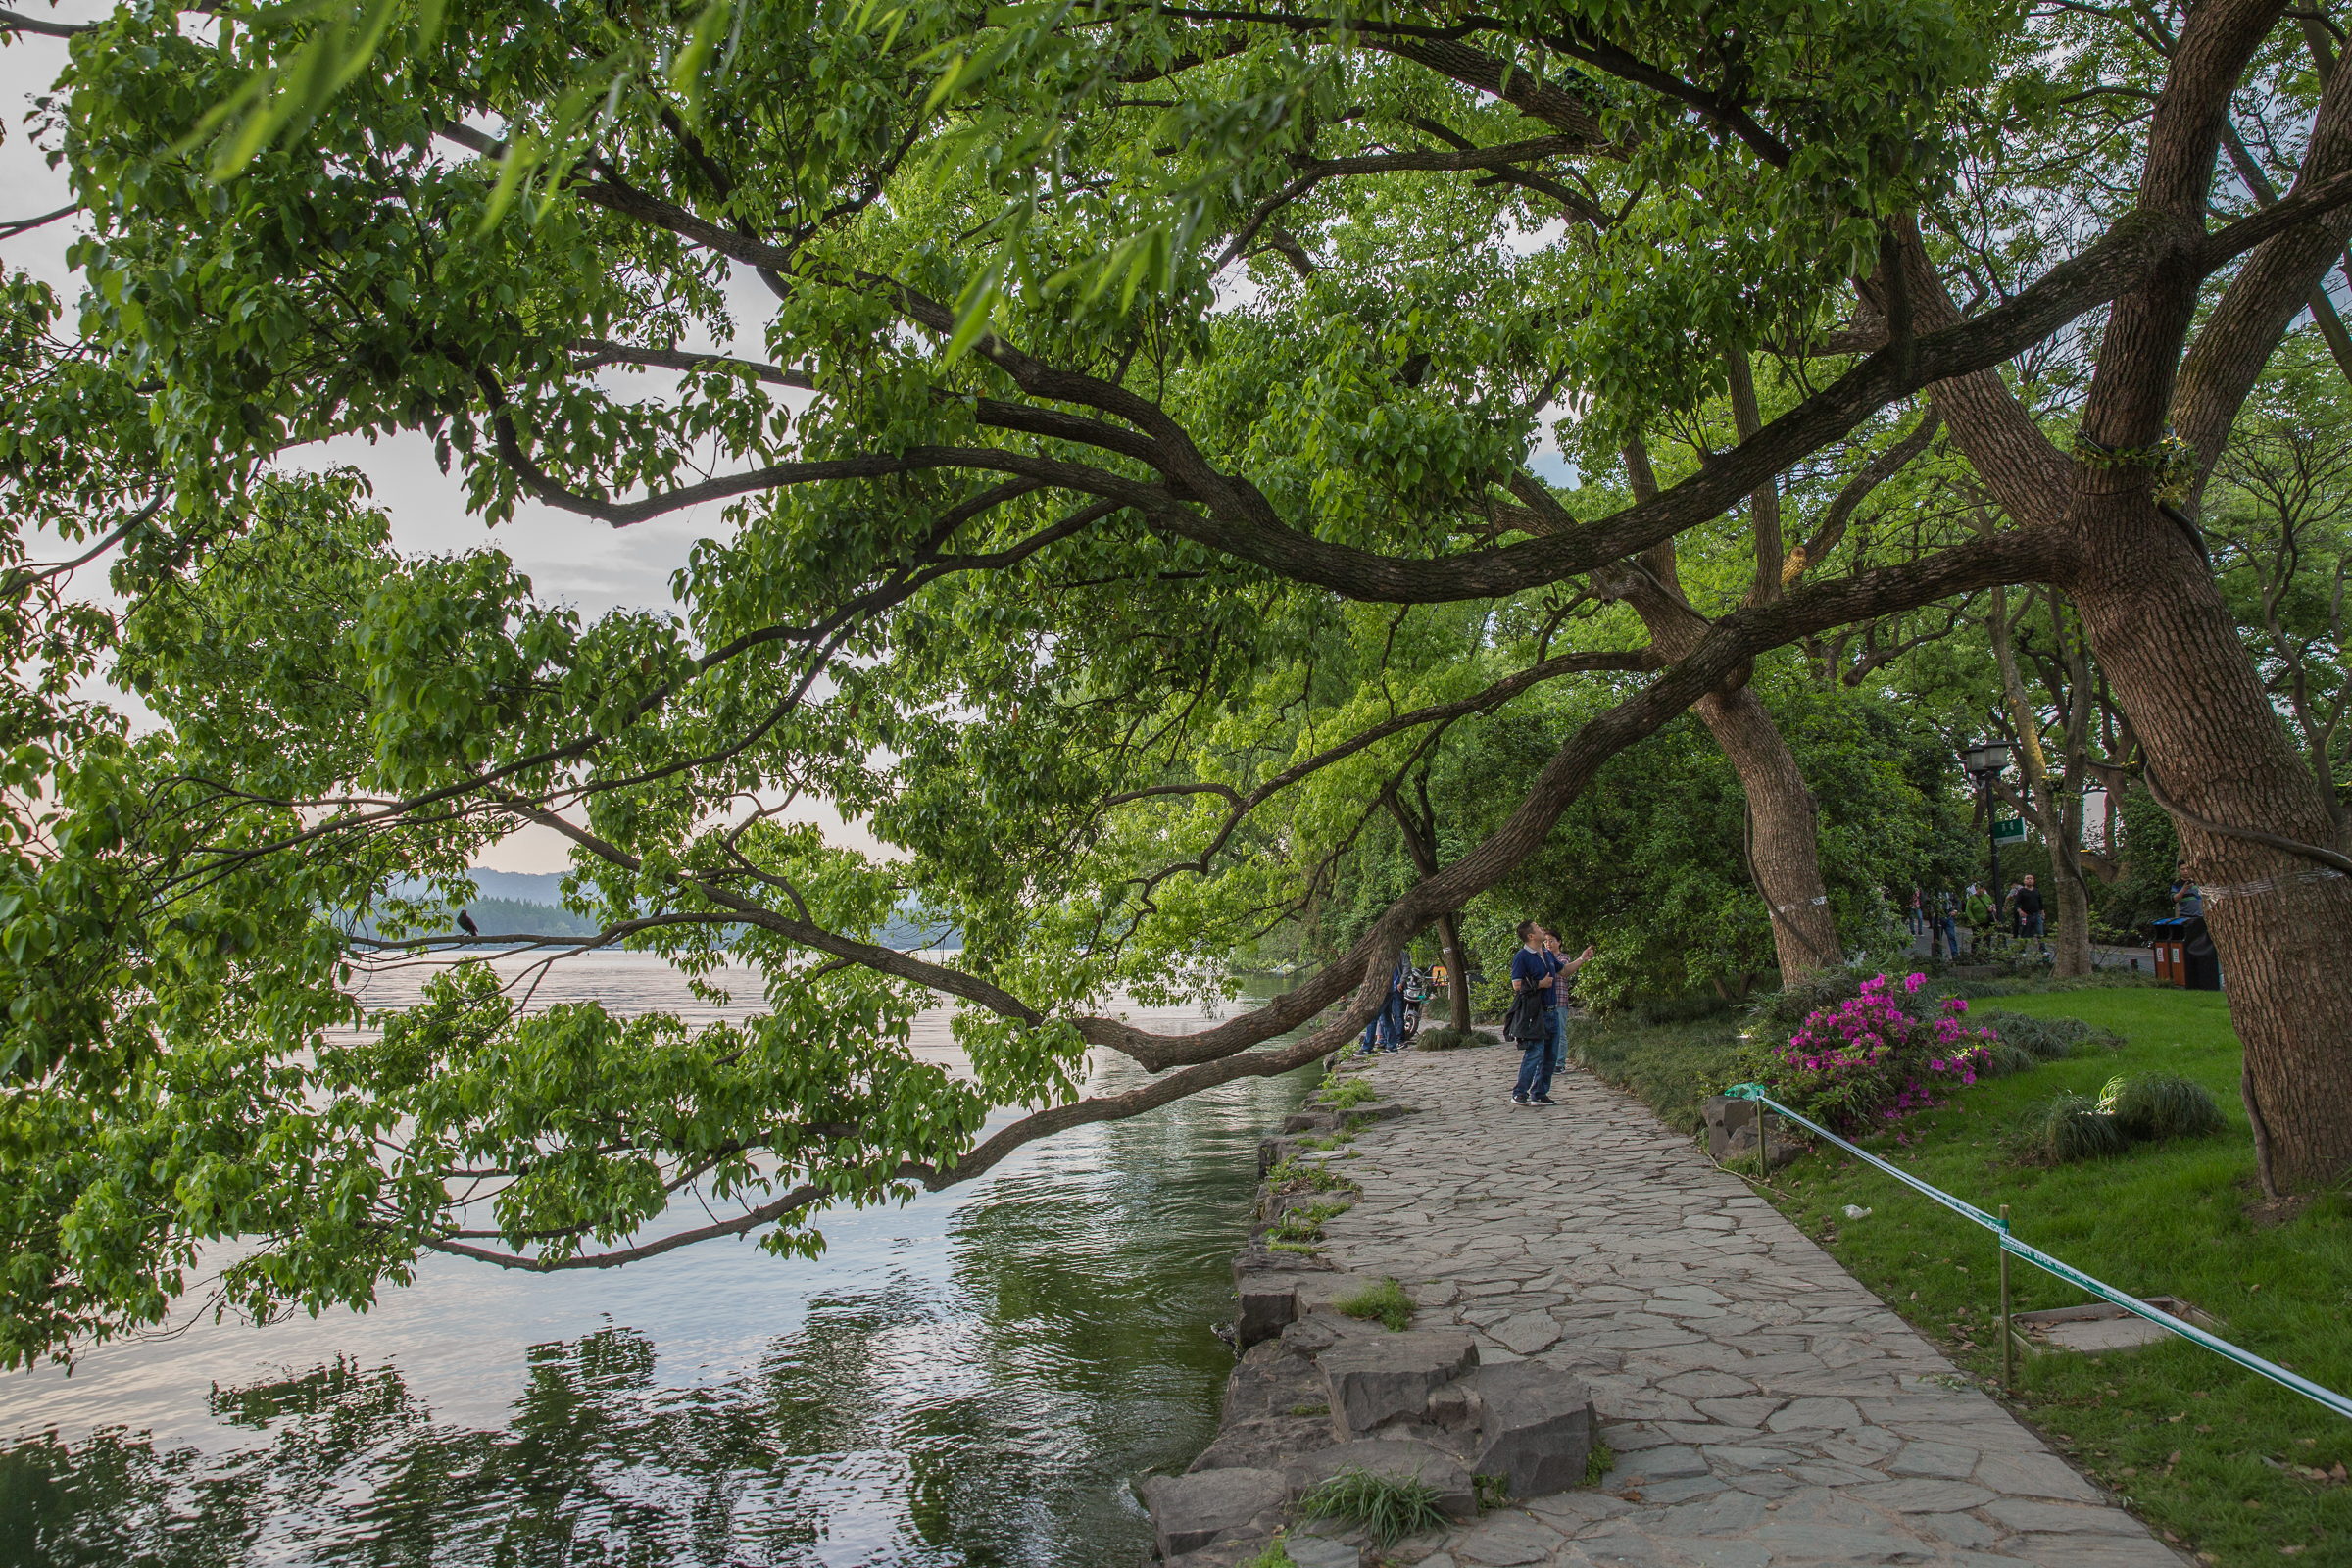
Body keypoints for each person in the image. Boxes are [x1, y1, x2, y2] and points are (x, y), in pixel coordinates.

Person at [1507, 921, 1558, 1105]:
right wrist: (1540, 984)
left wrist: (1583, 959)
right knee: (1535, 1052)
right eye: (1538, 927)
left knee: (1551, 1055)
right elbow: (1517, 985)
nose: (1542, 929)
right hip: (1535, 1013)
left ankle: (1540, 1092)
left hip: (1553, 1012)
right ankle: (1520, 1092)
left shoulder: (1547, 955)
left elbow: (1564, 971)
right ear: (1530, 936)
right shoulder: (1522, 957)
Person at [1540, 926, 1598, 1077]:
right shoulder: (1541, 956)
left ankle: (1560, 1063)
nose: (1549, 944)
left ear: (1559, 942)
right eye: (1546, 941)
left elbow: (1563, 971)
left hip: (1560, 1001)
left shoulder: (1562, 958)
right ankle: (1547, 1062)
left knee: (1560, 1033)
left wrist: (1582, 958)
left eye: (1552, 941)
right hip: (1545, 1002)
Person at [1357, 950, 1411, 1055]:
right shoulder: (1384, 956)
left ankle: (1367, 1047)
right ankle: (1391, 1045)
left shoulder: (1383, 956)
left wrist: (1402, 981)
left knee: (1372, 1017)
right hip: (1388, 990)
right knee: (1386, 1017)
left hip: (1383, 992)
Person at [2014, 874, 2046, 950]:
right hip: (2026, 915)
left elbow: (2040, 903)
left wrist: (2042, 913)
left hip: (2036, 915)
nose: (2029, 880)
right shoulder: (2021, 891)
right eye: (2027, 878)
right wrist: (2020, 912)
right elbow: (2016, 904)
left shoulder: (2036, 891)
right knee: (2024, 934)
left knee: (2040, 933)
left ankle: (2043, 950)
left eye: (2031, 878)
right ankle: (2021, 950)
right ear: (2024, 881)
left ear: (2033, 880)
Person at [1963, 883, 1994, 950]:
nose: (1982, 890)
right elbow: (1968, 909)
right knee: (1977, 937)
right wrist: (1972, 919)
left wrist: (1991, 908)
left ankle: (1987, 951)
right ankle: (1974, 951)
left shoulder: (1987, 897)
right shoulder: (1972, 898)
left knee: (1987, 938)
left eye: (1983, 888)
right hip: (1976, 922)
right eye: (1980, 888)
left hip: (1986, 921)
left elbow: (1992, 904)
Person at [1934, 890, 1961, 959]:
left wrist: (1955, 910)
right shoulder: (1936, 892)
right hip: (1939, 916)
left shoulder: (1950, 891)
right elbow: (1930, 902)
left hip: (1948, 915)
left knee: (1951, 935)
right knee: (1938, 937)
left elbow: (1958, 901)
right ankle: (1938, 955)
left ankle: (1955, 955)